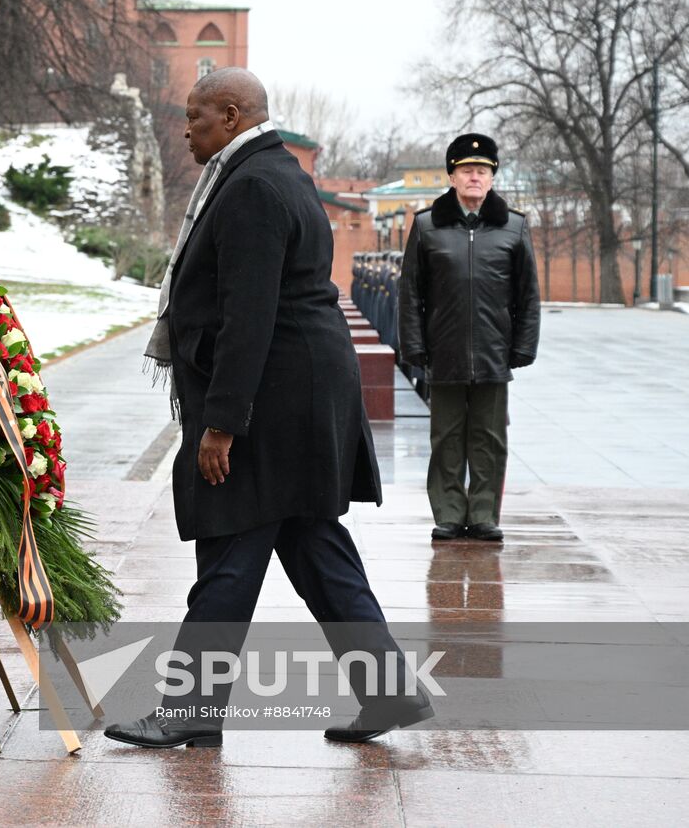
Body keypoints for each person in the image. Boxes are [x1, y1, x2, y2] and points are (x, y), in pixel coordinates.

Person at [115, 67, 430, 749]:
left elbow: (248, 315)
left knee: (231, 548)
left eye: (196, 117)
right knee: (314, 548)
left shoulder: (253, 186)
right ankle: (390, 692)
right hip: (300, 395)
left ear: (231, 114)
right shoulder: (272, 172)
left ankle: (190, 710)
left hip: (271, 403)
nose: (187, 129)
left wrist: (223, 424)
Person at [398, 134, 540, 542]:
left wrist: (524, 346)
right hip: (443, 351)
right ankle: (447, 512)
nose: (474, 177)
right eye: (466, 170)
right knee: (445, 436)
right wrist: (414, 347)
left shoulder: (513, 226)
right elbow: (411, 294)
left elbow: (528, 295)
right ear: (452, 176)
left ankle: (482, 514)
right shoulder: (428, 226)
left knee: (490, 438)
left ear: (492, 178)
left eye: (482, 170)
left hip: (494, 353)